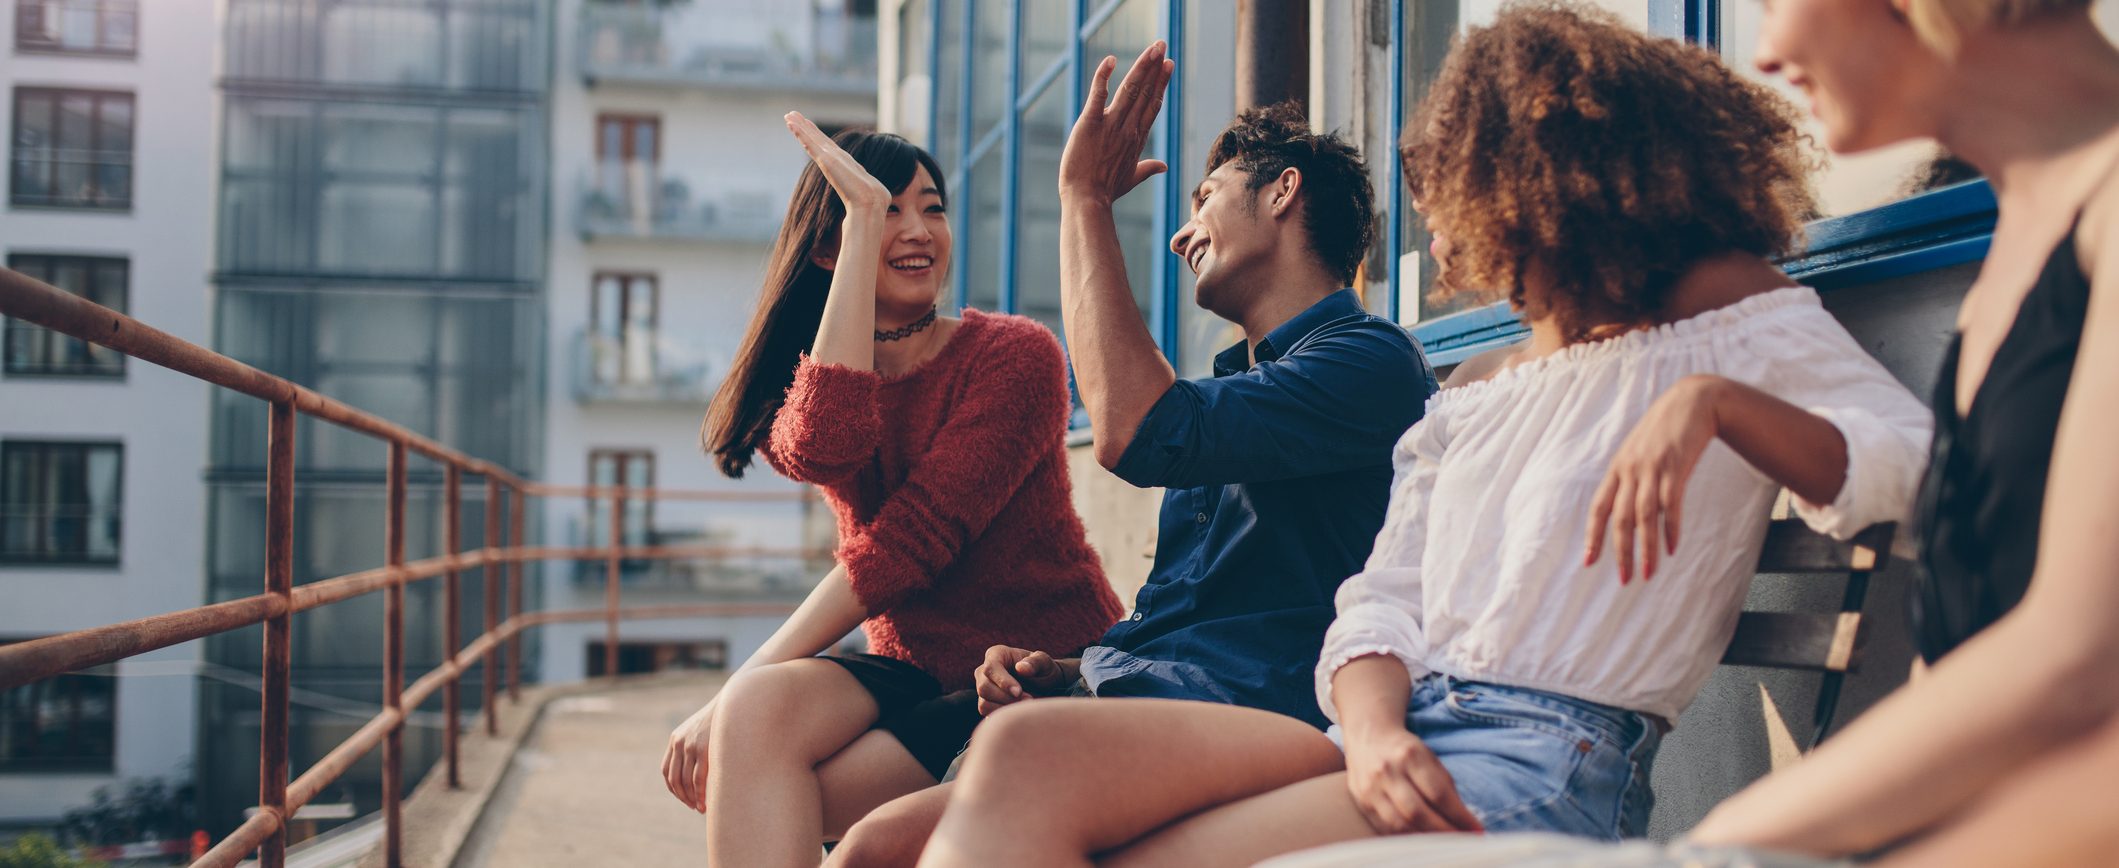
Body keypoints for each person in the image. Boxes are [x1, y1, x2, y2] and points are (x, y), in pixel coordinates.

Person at [907, 5, 1933, 865]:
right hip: (1393, 733)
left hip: (1543, 758)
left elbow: (1914, 467)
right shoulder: (1483, 383)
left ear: (1546, 178)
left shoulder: (1729, 324)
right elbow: (1380, 601)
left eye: (1455, 192)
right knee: (1025, 758)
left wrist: (1715, 402)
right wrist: (1376, 730)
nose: (1436, 234)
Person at [825, 49, 1437, 866]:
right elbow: (1194, 602)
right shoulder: (1233, 392)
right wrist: (1067, 666)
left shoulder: (1368, 360)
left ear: (1282, 191)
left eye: (1205, 198)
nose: (1183, 232)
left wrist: (1083, 200)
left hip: (1254, 708)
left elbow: (1133, 432)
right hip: (1139, 688)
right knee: (870, 848)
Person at [666, 116, 1125, 868]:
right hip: (913, 672)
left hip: (1036, 667)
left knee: (761, 754)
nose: (918, 229)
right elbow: (826, 445)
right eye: (886, 210)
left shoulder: (1015, 355)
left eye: (931, 207)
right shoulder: (813, 386)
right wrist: (855, 230)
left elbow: (904, 549)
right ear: (828, 247)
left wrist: (721, 698)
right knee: (756, 718)